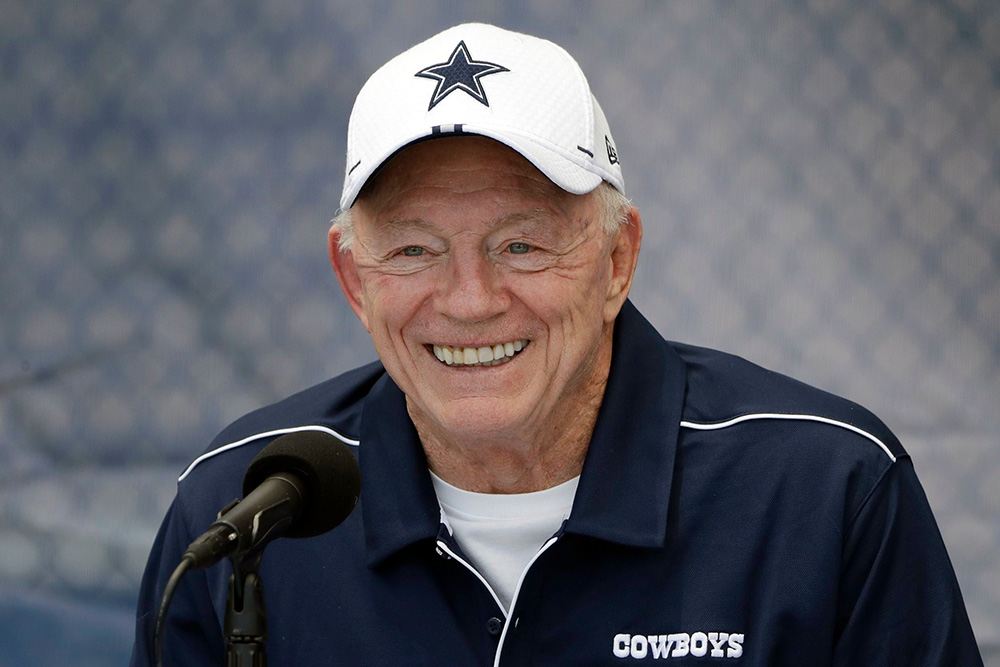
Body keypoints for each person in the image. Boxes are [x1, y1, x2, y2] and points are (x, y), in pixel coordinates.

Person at [131, 23, 984, 666]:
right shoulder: (243, 512)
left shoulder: (827, 493)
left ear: (617, 260)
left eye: (522, 244)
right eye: (415, 249)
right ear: (356, 280)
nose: (469, 301)